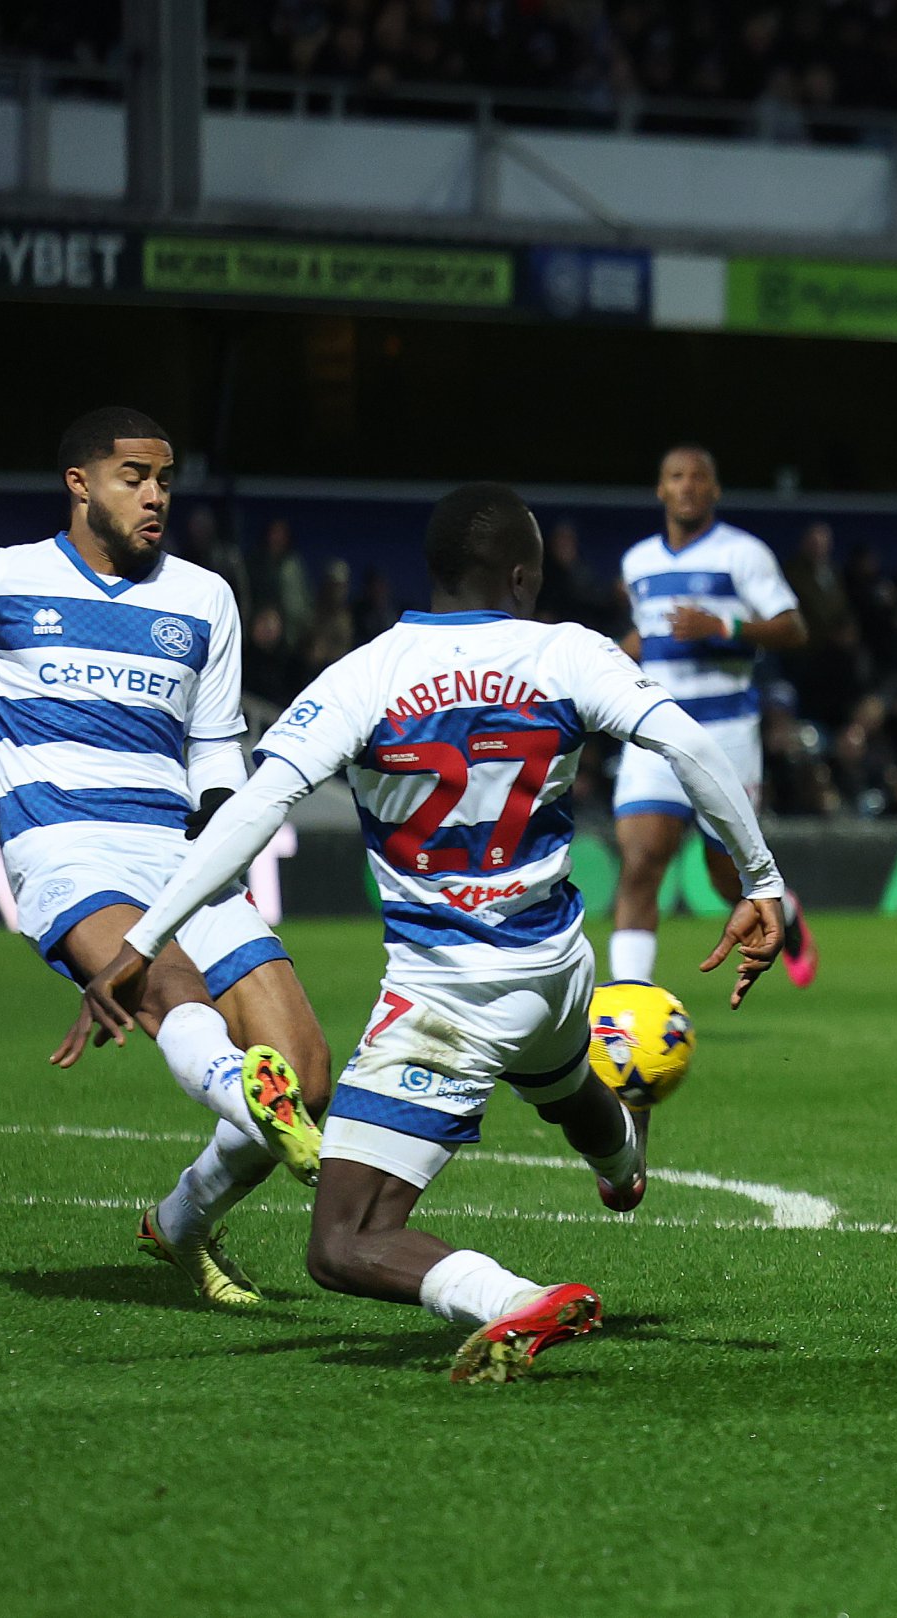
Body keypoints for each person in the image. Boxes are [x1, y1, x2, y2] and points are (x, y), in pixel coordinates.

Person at [67, 483, 788, 1383]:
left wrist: (145, 939)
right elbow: (691, 746)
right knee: (563, 1085)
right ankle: (622, 1167)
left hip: (449, 993)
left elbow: (254, 811)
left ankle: (512, 1299)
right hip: (561, 963)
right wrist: (762, 881)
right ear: (524, 576)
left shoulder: (364, 674)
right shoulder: (569, 652)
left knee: (339, 1242)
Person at [0, 407, 331, 1309]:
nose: (156, 496)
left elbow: (216, 749)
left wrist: (222, 825)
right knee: (168, 991)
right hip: (66, 849)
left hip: (182, 855)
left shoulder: (204, 597)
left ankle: (180, 1222)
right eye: (134, 478)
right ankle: (248, 1099)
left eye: (165, 480)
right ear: (79, 485)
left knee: (309, 1076)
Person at [609, 446, 818, 990]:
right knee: (639, 866)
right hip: (652, 730)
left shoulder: (742, 554)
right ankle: (628, 1012)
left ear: (714, 490)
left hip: (723, 733)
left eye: (699, 477)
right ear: (661, 489)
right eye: (676, 477)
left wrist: (725, 628)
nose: (687, 487)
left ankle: (787, 916)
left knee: (728, 876)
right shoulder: (637, 564)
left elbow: (793, 628)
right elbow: (647, 635)